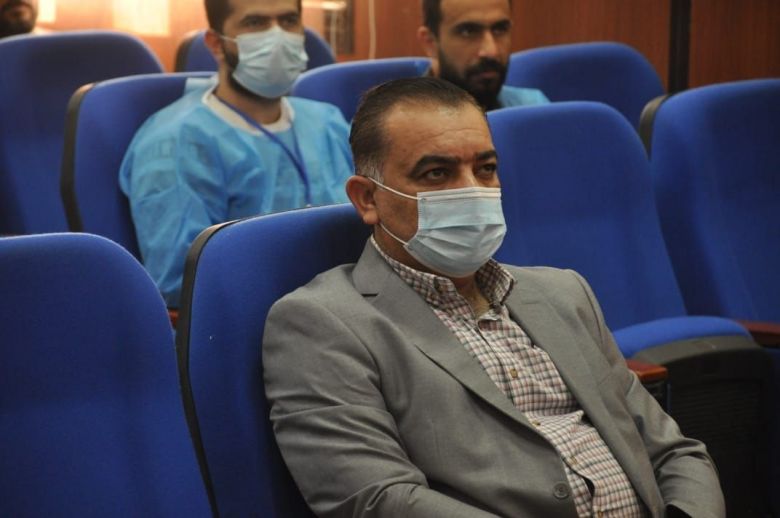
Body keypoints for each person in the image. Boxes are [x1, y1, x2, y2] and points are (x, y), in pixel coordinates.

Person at [263, 77, 725, 518]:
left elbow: (674, 453)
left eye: (485, 169)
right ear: (367, 199)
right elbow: (378, 500)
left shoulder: (565, 293)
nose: (472, 189)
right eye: (437, 173)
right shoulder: (321, 323)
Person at [120, 0, 353, 308]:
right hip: (252, 319)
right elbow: (184, 281)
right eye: (255, 23)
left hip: (349, 304)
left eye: (288, 21)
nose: (277, 36)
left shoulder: (327, 122)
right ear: (216, 44)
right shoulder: (177, 142)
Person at [417, 0, 549, 110]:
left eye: (500, 29)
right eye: (468, 32)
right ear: (430, 42)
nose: (491, 51)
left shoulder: (533, 108)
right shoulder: (408, 124)